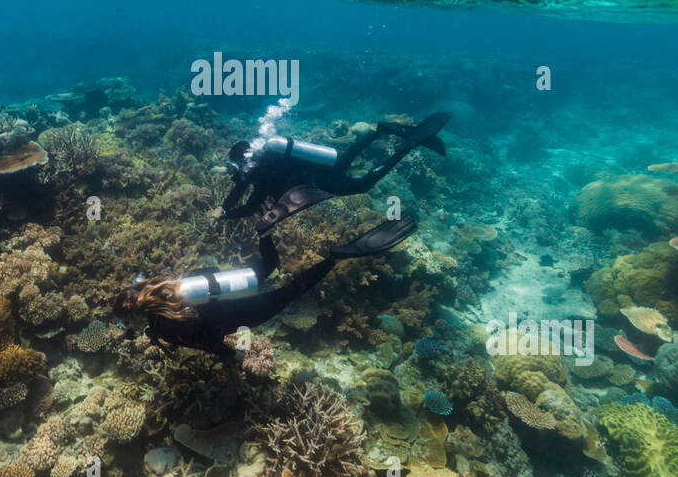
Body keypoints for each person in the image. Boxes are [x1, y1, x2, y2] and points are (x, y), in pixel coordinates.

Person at [112, 215, 416, 359]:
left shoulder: (165, 325)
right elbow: (206, 271)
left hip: (243, 312)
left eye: (126, 323)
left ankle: (334, 258)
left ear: (136, 316)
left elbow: (213, 343)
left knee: (291, 292)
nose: (128, 328)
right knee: (270, 266)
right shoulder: (160, 287)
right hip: (233, 283)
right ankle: (266, 229)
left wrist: (235, 361)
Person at [220, 111, 451, 232]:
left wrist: (225, 216)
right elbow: (238, 190)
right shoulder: (263, 161)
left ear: (244, 161)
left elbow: (250, 207)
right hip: (313, 168)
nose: (236, 172)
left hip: (314, 182)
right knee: (344, 159)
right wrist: (223, 208)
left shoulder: (259, 175)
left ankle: (402, 151)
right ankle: (378, 131)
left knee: (362, 185)